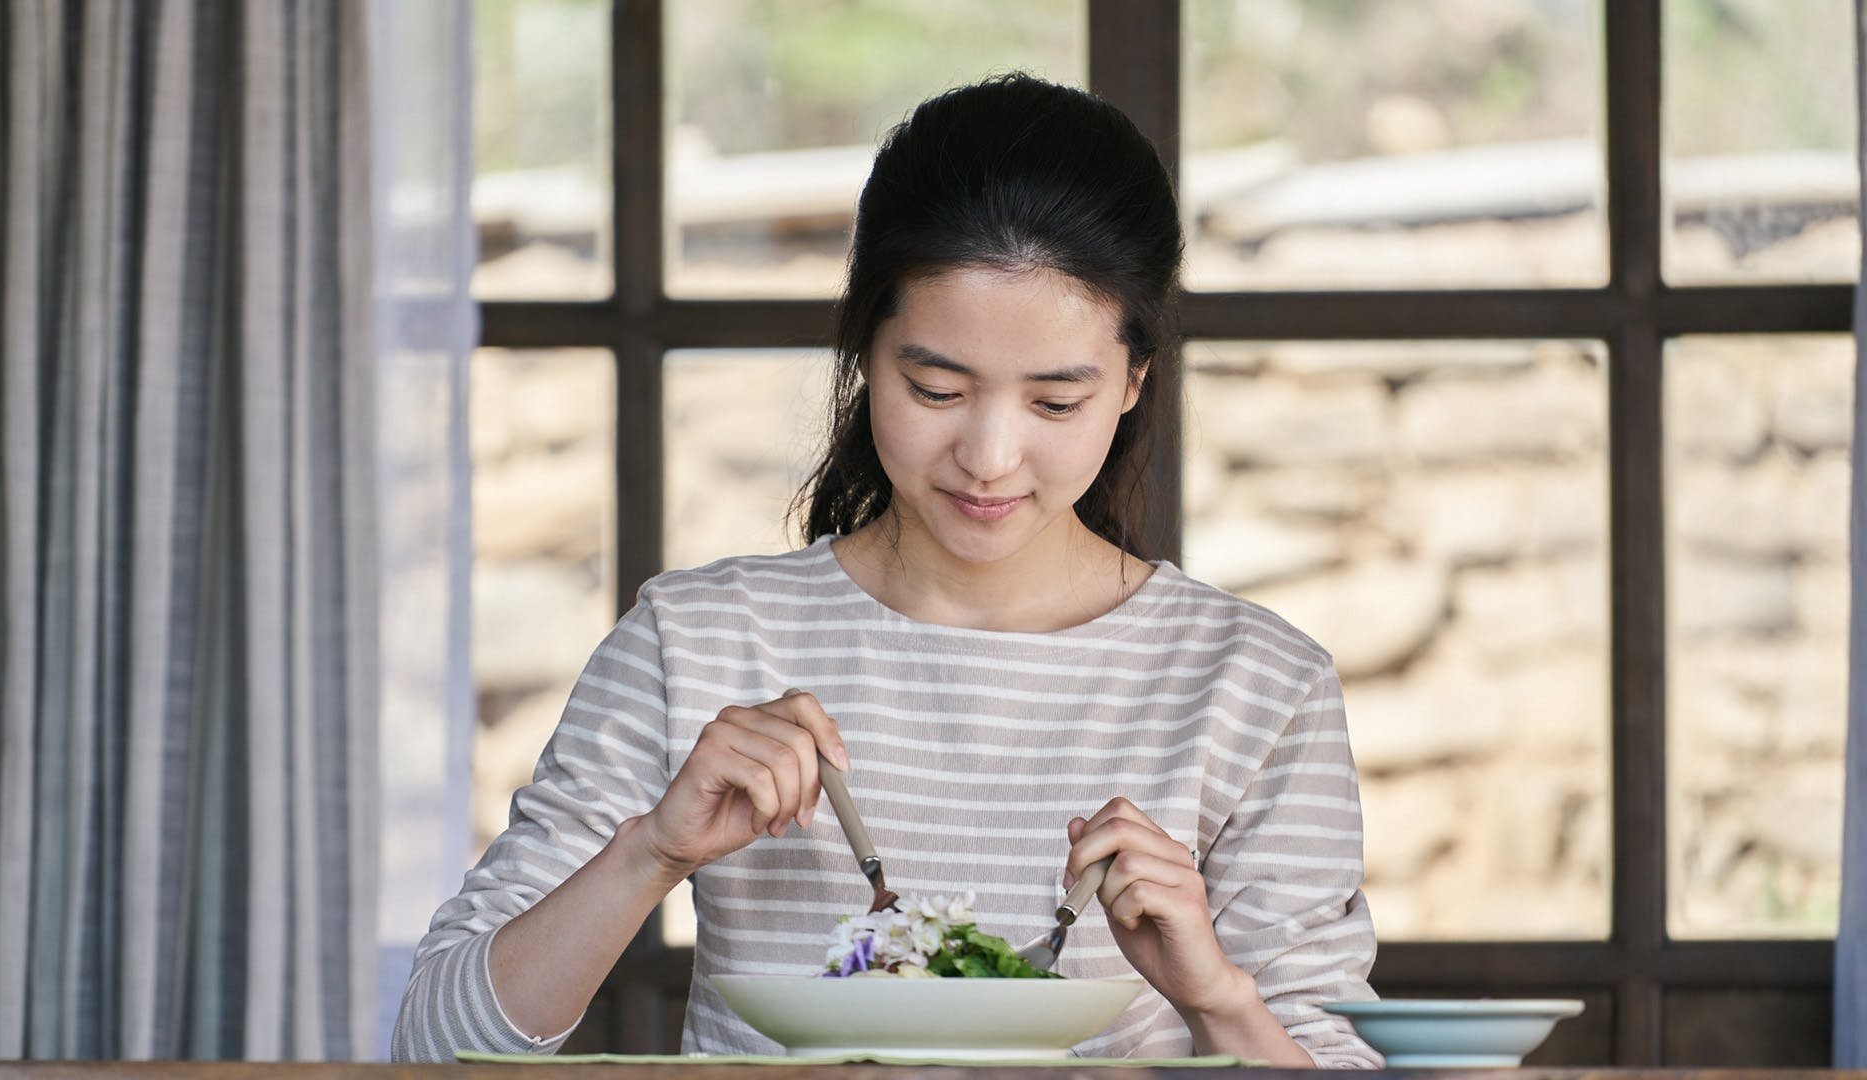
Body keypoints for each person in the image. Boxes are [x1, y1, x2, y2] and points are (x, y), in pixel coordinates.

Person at [393, 73, 1381, 1066]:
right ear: (866, 353)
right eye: (937, 386)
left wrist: (1215, 996)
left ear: (1132, 381)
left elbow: (1324, 1050)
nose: (989, 455)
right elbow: (432, 1047)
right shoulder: (701, 639)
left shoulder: (1254, 683)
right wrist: (651, 851)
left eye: (1054, 402)